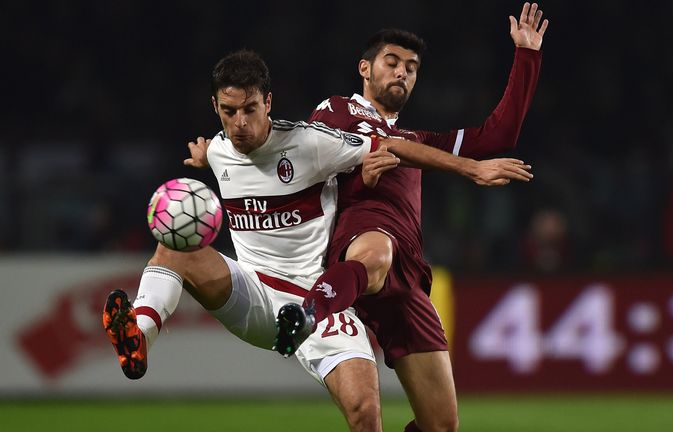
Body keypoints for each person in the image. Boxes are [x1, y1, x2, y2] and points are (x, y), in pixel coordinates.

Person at [103, 50, 532, 432]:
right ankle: (139, 339)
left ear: (268, 102)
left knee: (366, 413)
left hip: (316, 303)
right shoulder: (219, 148)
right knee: (174, 247)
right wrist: (202, 156)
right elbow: (217, 149)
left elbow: (395, 145)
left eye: (250, 109)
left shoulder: (310, 142)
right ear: (215, 107)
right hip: (250, 293)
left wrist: (471, 170)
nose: (240, 123)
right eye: (229, 111)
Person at [274, 3, 548, 431]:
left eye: (412, 67)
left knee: (441, 424)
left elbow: (498, 135)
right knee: (377, 253)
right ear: (365, 68)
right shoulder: (338, 110)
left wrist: (527, 56)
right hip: (359, 240)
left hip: (408, 275)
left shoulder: (416, 139)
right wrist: (471, 169)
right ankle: (309, 312)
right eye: (392, 62)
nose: (402, 72)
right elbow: (382, 148)